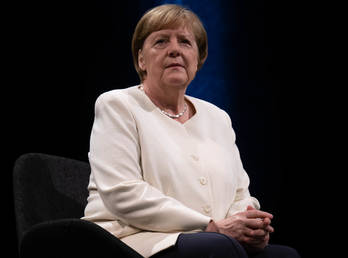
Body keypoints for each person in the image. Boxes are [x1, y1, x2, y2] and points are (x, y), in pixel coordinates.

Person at [82, 4, 299, 258]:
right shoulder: (118, 105)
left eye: (185, 42)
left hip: (212, 239)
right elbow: (123, 192)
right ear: (141, 59)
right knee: (216, 249)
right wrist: (210, 226)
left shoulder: (218, 118)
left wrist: (247, 224)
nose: (174, 49)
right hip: (130, 241)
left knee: (283, 255)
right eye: (161, 41)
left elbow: (241, 194)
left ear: (198, 59)